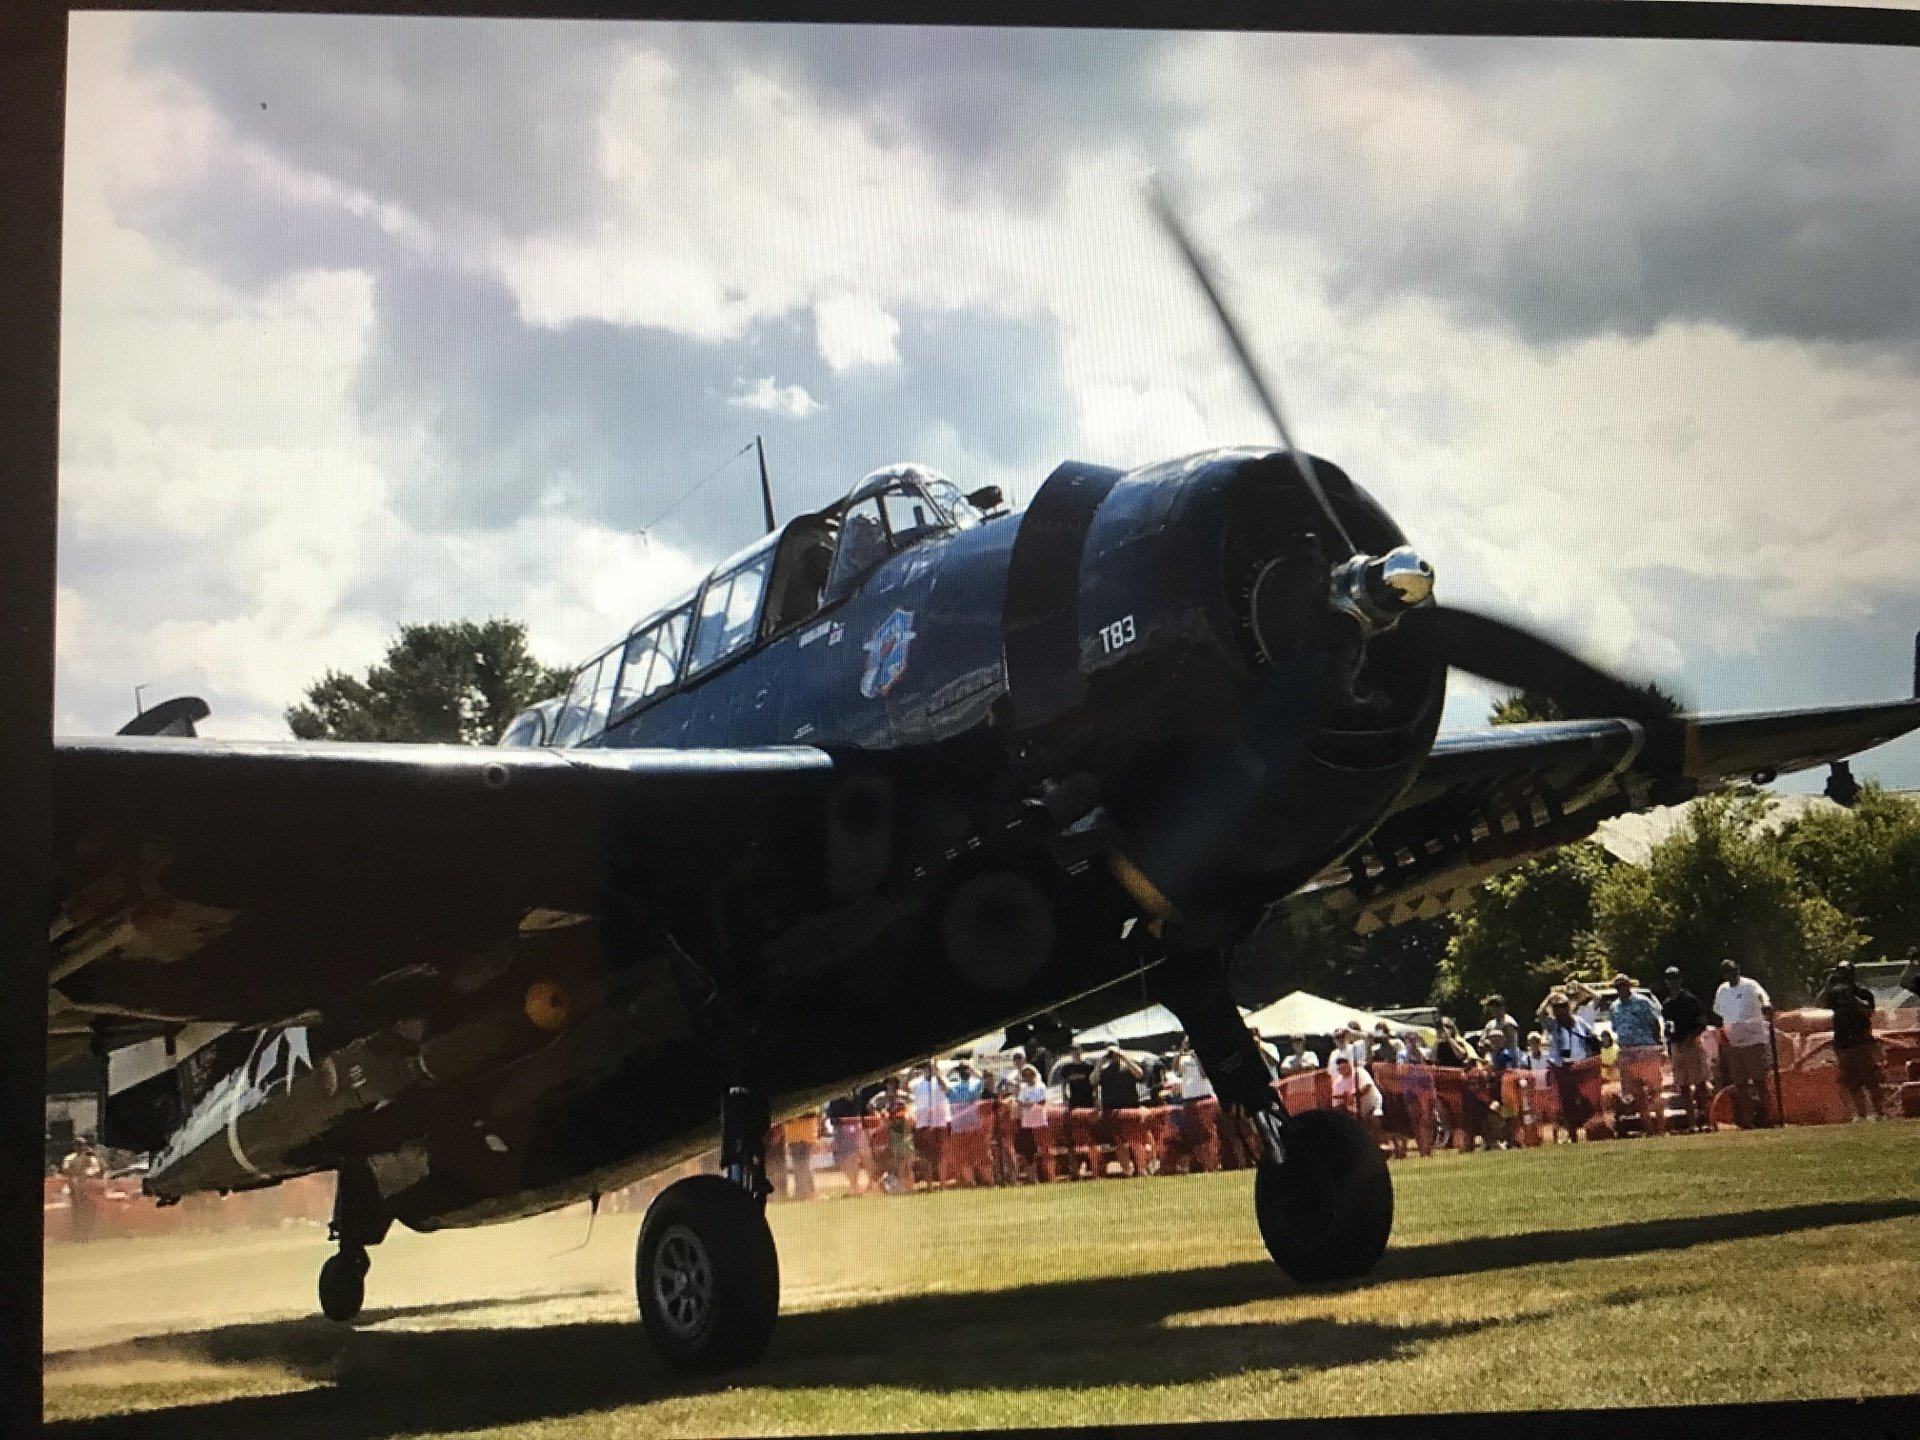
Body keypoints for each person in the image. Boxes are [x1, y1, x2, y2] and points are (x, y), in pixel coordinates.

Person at [1713, 958, 1775, 1128]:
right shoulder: (1722, 990)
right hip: (1734, 1043)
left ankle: (1768, 1117)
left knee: (1759, 1081)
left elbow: (1764, 1000)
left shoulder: (1750, 985)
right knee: (1740, 1084)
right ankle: (1747, 1120)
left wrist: (1766, 1007)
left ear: (1738, 969)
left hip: (1754, 1040)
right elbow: (1719, 1013)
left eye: (1733, 970)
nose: (1731, 975)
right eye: (1727, 972)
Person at [1822, 961, 1887, 1122]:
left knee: (1870, 1079)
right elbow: (1820, 1003)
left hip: (1861, 1041)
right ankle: (1861, 1114)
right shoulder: (1835, 995)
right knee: (1852, 1081)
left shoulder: (1863, 993)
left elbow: (1869, 1011)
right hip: (1843, 1043)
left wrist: (1853, 998)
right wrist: (1827, 986)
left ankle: (1880, 1113)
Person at [1607, 972, 1667, 1136]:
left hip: (1646, 1049)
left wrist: (1658, 1045)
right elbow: (1615, 1029)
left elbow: (1655, 1023)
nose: (1620, 989)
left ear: (1629, 986)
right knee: (1637, 1093)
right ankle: (1648, 1128)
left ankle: (1661, 1127)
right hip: (1627, 1051)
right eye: (1617, 987)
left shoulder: (1642, 1001)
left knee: (1654, 1090)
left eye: (1623, 986)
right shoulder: (1614, 1007)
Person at [1661, 966, 1717, 1133]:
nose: (1673, 982)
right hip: (1677, 1047)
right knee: (1684, 1088)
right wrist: (1670, 1038)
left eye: (1676, 978)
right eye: (1670, 979)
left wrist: (1690, 1039)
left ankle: (1707, 1120)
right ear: (1666, 982)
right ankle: (1692, 1123)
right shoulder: (1667, 1004)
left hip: (1693, 1044)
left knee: (1700, 1085)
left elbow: (1702, 1021)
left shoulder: (1690, 999)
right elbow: (1667, 1027)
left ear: (1680, 980)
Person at [1542, 991, 1599, 1141]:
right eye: (1557, 1007)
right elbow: (1540, 1015)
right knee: (1567, 1101)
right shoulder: (1553, 1025)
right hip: (1562, 1067)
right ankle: (1572, 1132)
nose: (1560, 1010)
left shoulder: (1579, 1021)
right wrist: (1550, 998)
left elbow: (1590, 1034)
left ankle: (1588, 1126)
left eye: (1562, 1006)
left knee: (1585, 1098)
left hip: (1581, 1065)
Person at [1094, 1047, 1153, 1177]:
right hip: (1112, 1111)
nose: (1113, 1055)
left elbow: (1139, 1074)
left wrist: (1124, 1057)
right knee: (1119, 1143)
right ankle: (1127, 1171)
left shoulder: (1128, 1068)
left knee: (1135, 1141)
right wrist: (1100, 1062)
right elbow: (1093, 1081)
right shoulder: (1104, 1071)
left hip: (1130, 1110)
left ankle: (1141, 1169)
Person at [1050, 1046, 1102, 1179]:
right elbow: (1063, 1086)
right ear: (1070, 1053)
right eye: (1073, 1050)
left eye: (1077, 1050)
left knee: (1090, 1137)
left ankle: (1095, 1168)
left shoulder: (1088, 1067)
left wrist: (1096, 1101)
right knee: (1072, 1140)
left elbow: (1094, 1085)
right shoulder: (1066, 1069)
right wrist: (1064, 1099)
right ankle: (1075, 1170)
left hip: (1088, 1105)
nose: (1075, 1052)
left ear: (1081, 1051)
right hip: (1073, 1106)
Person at [944, 1061, 995, 1186]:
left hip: (974, 1127)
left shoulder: (976, 1084)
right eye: (961, 1070)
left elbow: (987, 1080)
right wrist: (951, 1072)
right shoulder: (953, 1087)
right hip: (959, 1129)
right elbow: (942, 1083)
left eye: (966, 1069)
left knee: (982, 1156)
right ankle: (971, 1183)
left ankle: (990, 1182)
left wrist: (972, 1069)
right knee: (963, 1158)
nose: (964, 1071)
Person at [908, 1061, 953, 1190]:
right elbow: (906, 1086)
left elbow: (946, 1088)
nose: (928, 1070)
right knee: (926, 1155)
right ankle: (929, 1185)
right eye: (926, 1068)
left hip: (940, 1122)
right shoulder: (917, 1082)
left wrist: (937, 1074)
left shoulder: (940, 1080)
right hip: (924, 1124)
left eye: (930, 1068)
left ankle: (943, 1184)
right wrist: (912, 1068)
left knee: (942, 1154)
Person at [867, 1074, 915, 1194]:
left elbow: (913, 1101)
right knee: (890, 1161)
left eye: (893, 1083)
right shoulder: (881, 1097)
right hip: (886, 1133)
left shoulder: (902, 1096)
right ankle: (885, 1184)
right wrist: (878, 1115)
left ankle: (904, 1186)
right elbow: (870, 1105)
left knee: (904, 1160)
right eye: (889, 1083)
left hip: (902, 1132)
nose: (891, 1086)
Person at [825, 1091, 872, 1196]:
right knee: (844, 1157)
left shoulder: (852, 1090)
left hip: (850, 1125)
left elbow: (853, 1101)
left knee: (853, 1156)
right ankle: (854, 1185)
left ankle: (862, 1185)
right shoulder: (834, 1094)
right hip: (839, 1127)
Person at [60, 1136, 106, 1242]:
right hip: (74, 1188)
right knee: (77, 1212)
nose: (81, 1147)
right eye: (78, 1145)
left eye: (82, 1145)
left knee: (89, 1211)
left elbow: (97, 1170)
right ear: (74, 1146)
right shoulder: (70, 1158)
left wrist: (89, 1169)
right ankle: (77, 1234)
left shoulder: (91, 1158)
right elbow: (66, 1170)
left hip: (88, 1188)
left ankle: (88, 1234)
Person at [1014, 1063, 1055, 1183]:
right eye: (1025, 1075)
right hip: (1027, 1124)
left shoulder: (1040, 1087)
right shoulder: (1023, 1089)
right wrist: (1029, 1104)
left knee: (1045, 1151)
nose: (1027, 1077)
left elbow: (1041, 1102)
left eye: (1029, 1074)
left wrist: (1029, 1104)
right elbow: (1020, 1103)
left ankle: (1049, 1176)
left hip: (1040, 1123)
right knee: (1029, 1153)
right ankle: (1033, 1178)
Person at [1330, 1055, 1385, 1143]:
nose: (1343, 1069)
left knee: (1374, 1120)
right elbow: (1337, 1101)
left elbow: (1367, 1087)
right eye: (1340, 1067)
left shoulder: (1360, 1072)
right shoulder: (1338, 1083)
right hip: (1356, 1110)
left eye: (1344, 1065)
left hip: (1372, 1104)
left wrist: (1354, 1095)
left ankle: (1381, 1143)